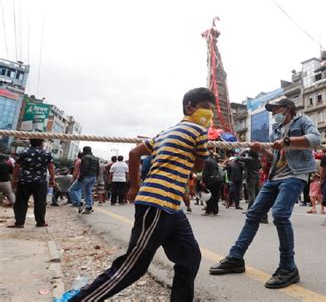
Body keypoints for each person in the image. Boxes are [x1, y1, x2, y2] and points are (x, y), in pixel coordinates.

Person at [69, 87, 214, 301]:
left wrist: (135, 187)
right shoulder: (198, 131)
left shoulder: (166, 131)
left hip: (171, 206)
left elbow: (135, 152)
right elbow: (199, 168)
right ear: (189, 107)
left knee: (189, 256)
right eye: (205, 108)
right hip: (158, 203)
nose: (209, 114)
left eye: (211, 109)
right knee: (133, 267)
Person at [209, 97, 320, 289]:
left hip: (295, 175)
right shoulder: (275, 131)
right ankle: (236, 257)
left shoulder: (302, 122)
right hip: (274, 177)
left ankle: (288, 267)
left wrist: (287, 141)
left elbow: (315, 140)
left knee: (280, 215)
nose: (273, 113)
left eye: (276, 109)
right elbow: (274, 157)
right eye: (271, 111)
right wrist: (262, 151)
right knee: (253, 214)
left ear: (287, 109)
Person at [8, 139, 55, 228]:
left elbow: (17, 166)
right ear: (41, 143)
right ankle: (40, 222)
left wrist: (14, 180)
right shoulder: (47, 153)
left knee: (21, 202)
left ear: (30, 142)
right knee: (40, 202)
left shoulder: (23, 152)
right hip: (40, 181)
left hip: (25, 180)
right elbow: (51, 167)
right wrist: (53, 179)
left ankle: (19, 222)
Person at [69, 146, 100, 214]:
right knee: (88, 192)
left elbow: (85, 168)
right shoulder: (96, 158)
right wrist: (96, 176)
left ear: (84, 151)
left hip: (86, 176)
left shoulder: (85, 157)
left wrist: (81, 177)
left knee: (72, 190)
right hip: (93, 177)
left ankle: (80, 203)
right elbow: (98, 169)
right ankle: (89, 207)